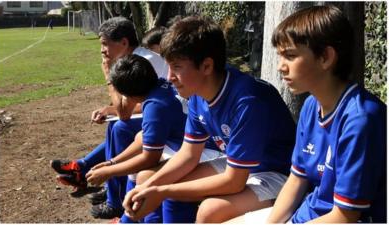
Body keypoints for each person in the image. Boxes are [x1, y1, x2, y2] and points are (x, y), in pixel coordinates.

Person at [122, 16, 296, 223]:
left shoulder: (247, 101)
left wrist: (162, 190)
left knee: (209, 210)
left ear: (206, 66)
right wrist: (150, 188)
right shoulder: (197, 93)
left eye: (176, 67)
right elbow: (188, 155)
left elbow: (234, 182)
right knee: (147, 180)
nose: (169, 77)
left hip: (277, 173)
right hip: (238, 165)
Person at [229, 5, 387, 223]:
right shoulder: (312, 105)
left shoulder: (361, 119)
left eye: (290, 56)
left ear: (326, 57)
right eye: (280, 56)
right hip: (309, 214)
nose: (280, 67)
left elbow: (345, 216)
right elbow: (296, 180)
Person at [50, 17, 168, 219]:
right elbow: (132, 104)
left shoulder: (140, 62)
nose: (102, 50)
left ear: (123, 43)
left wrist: (107, 75)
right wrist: (109, 109)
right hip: (160, 113)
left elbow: (126, 111)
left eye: (105, 43)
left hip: (172, 120)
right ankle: (93, 174)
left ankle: (114, 198)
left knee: (121, 127)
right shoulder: (135, 57)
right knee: (115, 126)